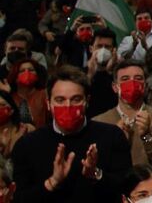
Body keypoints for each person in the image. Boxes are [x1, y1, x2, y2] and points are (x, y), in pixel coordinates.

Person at [9, 65, 131, 201]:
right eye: (60, 100)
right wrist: (52, 182)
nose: (68, 106)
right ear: (48, 104)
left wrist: (95, 174)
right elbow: (19, 198)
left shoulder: (112, 136)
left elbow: (127, 188)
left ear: (87, 101)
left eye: (76, 99)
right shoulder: (27, 145)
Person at [92, 60, 152, 169]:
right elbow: (95, 167)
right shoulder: (98, 122)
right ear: (115, 87)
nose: (132, 83)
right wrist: (114, 140)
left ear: (145, 86)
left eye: (138, 78)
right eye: (125, 79)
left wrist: (147, 136)